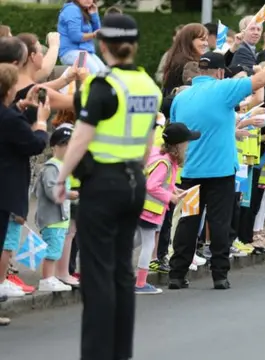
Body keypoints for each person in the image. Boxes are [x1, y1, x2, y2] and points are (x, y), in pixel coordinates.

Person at [52, 14, 162, 360]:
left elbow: (80, 139)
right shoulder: (148, 86)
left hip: (102, 185)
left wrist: (60, 178)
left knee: (97, 276)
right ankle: (120, 353)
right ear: (135, 46)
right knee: (121, 271)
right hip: (134, 183)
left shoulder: (102, 87)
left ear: (103, 45)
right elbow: (147, 147)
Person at [168, 45, 265, 290]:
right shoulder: (223, 89)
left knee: (188, 221)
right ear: (219, 73)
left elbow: (180, 129)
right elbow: (260, 80)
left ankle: (176, 274)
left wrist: (230, 130)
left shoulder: (181, 98)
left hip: (190, 170)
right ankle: (219, 275)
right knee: (219, 222)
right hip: (220, 171)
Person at [0, 62, 50, 326]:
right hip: (6, 189)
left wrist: (19, 107)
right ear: (9, 89)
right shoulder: (9, 119)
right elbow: (35, 144)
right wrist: (41, 122)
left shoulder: (7, 114)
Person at [134, 123, 199, 295]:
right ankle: (140, 283)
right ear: (179, 145)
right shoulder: (165, 162)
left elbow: (161, 182)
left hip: (141, 207)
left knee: (134, 242)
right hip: (149, 210)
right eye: (186, 142)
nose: (188, 145)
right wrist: (171, 197)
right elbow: (152, 185)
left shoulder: (159, 155)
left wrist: (174, 190)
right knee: (148, 244)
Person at [35, 126, 78, 292]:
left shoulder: (62, 167)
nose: (68, 148)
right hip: (52, 218)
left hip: (60, 217)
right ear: (54, 147)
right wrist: (68, 194)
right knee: (52, 249)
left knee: (56, 247)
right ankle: (47, 279)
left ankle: (50, 278)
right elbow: (52, 192)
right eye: (64, 144)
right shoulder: (52, 167)